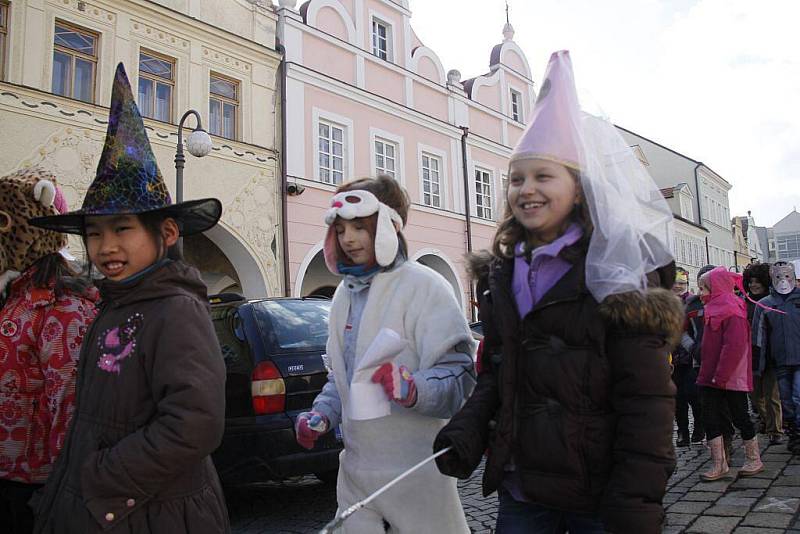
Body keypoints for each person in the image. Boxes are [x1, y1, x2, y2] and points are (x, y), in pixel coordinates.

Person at [432, 51, 680, 534]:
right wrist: (467, 429)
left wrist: (635, 500)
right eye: (517, 179)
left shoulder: (617, 273)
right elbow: (499, 373)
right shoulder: (503, 274)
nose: (527, 189)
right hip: (523, 488)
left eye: (544, 176)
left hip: (598, 494)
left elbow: (647, 402)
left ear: (580, 189)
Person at [28, 63, 229, 533]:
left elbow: (194, 424)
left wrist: (101, 475)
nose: (106, 247)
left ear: (167, 233)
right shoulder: (114, 303)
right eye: (94, 233)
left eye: (122, 229)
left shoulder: (176, 310)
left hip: (153, 514)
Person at [294, 175, 477, 532]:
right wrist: (323, 413)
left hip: (415, 473)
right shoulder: (343, 297)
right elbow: (344, 377)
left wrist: (413, 388)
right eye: (342, 228)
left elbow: (460, 375)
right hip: (357, 473)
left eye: (359, 227)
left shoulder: (425, 287)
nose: (348, 239)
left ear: (387, 227)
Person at [0, 168, 98, 534]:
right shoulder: (15, 296)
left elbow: (69, 403)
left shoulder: (62, 307)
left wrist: (66, 487)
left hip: (35, 480)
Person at [696, 267, 763, 481]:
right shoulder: (712, 307)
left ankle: (754, 459)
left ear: (715, 288)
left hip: (728, 376)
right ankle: (719, 463)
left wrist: (721, 376)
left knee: (740, 415)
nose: (700, 293)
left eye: (703, 288)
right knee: (710, 416)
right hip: (710, 374)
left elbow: (733, 347)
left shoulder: (732, 309)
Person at [753, 261, 800, 453]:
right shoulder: (765, 305)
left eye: (787, 276)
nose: (783, 280)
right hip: (779, 361)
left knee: (798, 396)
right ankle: (794, 433)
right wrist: (759, 366)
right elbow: (759, 337)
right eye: (778, 276)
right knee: (786, 401)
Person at [744, 263, 783, 445]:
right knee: (754, 395)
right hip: (750, 355)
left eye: (757, 281)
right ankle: (768, 422)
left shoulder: (773, 301)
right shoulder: (744, 303)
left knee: (771, 396)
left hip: (770, 355)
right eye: (751, 281)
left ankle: (775, 430)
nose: (754, 285)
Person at [672, 268, 703, 447]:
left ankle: (699, 425)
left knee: (693, 394)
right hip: (672, 358)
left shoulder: (693, 302)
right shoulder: (664, 302)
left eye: (682, 283)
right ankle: (683, 431)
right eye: (675, 283)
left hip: (691, 356)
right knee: (677, 397)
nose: (678, 286)